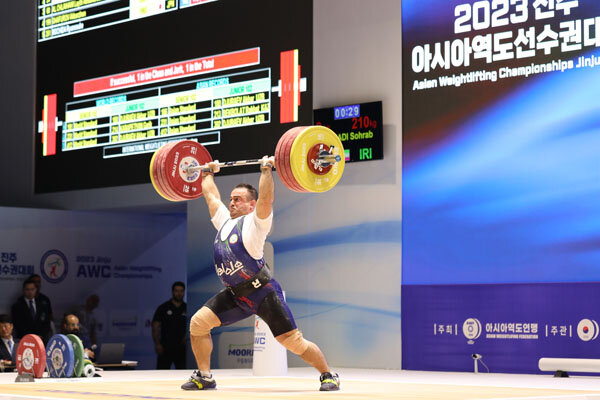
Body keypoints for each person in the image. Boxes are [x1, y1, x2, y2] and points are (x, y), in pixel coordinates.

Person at [181, 156, 340, 391]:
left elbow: (266, 198)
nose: (232, 203)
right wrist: (207, 173)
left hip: (264, 294)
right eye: (232, 199)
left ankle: (328, 374)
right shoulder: (224, 222)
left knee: (293, 343)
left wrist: (266, 170)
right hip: (235, 295)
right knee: (198, 324)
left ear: (251, 204)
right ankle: (205, 376)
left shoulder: (257, 223)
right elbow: (211, 196)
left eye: (238, 199)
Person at [152, 281, 187, 369]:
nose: (179, 293)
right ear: (172, 292)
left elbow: (192, 326)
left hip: (181, 348)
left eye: (181, 291)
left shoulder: (187, 308)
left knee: (182, 374)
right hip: (165, 347)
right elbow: (155, 326)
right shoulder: (163, 308)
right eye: (176, 291)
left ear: (184, 292)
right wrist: (157, 344)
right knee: (161, 373)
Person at [11, 279, 53, 343]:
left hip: (42, 339)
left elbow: (47, 322)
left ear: (36, 290)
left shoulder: (42, 303)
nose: (30, 292)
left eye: (32, 289)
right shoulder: (17, 306)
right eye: (27, 289)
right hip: (25, 339)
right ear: (23, 290)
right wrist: (31, 337)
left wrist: (41, 335)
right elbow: (18, 325)